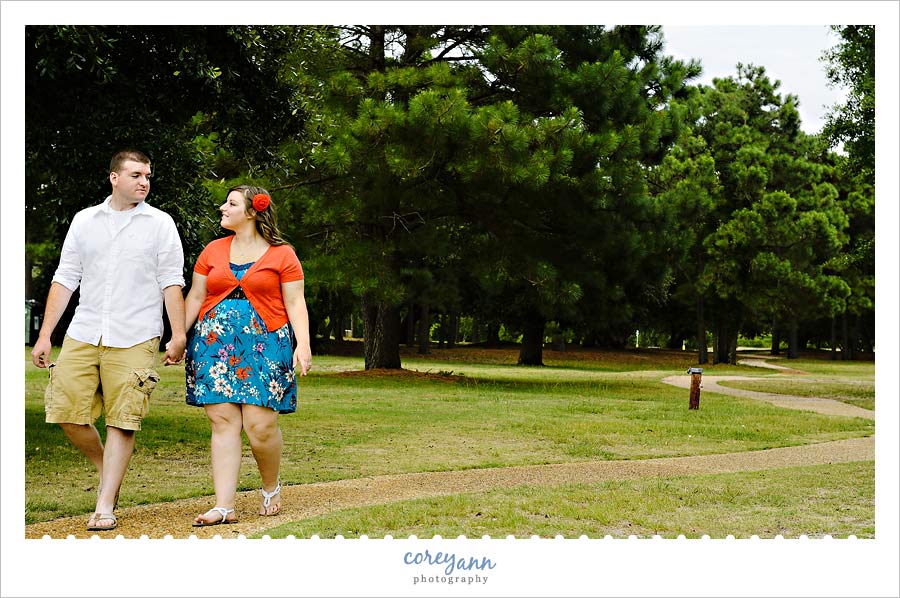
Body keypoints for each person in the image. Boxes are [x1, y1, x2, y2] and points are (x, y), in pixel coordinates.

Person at [31, 149, 187, 532]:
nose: (144, 182)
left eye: (147, 176)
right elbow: (66, 277)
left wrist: (179, 333)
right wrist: (45, 334)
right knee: (64, 410)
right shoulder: (85, 220)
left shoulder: (160, 224)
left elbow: (171, 281)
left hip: (137, 333)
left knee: (123, 419)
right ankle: (108, 471)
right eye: (136, 175)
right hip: (84, 331)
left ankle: (105, 505)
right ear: (114, 178)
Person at [184, 184, 312, 526]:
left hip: (265, 345)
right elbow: (195, 296)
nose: (222, 208)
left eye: (231, 203)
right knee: (222, 421)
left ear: (253, 212)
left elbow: (295, 301)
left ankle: (270, 486)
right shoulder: (212, 250)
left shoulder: (283, 254)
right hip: (215, 345)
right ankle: (224, 506)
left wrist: (303, 344)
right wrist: (178, 336)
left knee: (260, 425)